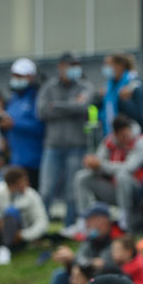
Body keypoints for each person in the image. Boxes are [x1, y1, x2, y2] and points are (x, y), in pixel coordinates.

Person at [37, 53, 94, 227]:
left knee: (72, 190)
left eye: (77, 64)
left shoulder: (85, 86)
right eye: (70, 65)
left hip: (77, 146)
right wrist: (71, 106)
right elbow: (41, 112)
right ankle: (40, 227)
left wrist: (57, 105)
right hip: (52, 146)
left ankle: (69, 227)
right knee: (46, 189)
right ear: (60, 66)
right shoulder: (48, 87)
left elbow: (82, 106)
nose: (74, 68)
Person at [73, 115, 143, 233]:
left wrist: (100, 164)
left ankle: (124, 220)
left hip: (137, 190)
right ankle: (84, 220)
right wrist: (92, 164)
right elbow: (98, 163)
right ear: (115, 134)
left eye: (126, 135)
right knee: (82, 177)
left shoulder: (142, 141)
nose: (124, 139)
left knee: (122, 175)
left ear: (130, 129)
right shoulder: (109, 141)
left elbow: (129, 167)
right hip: (114, 189)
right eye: (120, 136)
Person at [47, 203, 115, 284]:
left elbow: (101, 265)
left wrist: (73, 259)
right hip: (86, 276)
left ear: (102, 220)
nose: (87, 224)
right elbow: (82, 260)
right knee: (61, 275)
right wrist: (68, 262)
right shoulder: (90, 240)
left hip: (107, 283)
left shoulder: (116, 240)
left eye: (89, 220)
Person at [3, 57, 45, 189]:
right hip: (16, 159)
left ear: (31, 76)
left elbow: (40, 126)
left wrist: (14, 124)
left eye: (19, 75)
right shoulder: (13, 99)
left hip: (34, 159)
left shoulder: (37, 97)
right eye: (14, 75)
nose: (16, 78)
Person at [99, 53, 143, 134]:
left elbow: (141, 117)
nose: (105, 68)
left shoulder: (134, 84)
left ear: (119, 66)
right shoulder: (109, 85)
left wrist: (125, 101)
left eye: (108, 65)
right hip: (111, 135)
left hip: (130, 137)